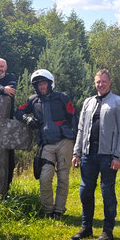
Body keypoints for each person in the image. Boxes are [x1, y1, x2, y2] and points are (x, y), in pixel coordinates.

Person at [71, 69, 120, 240]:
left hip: (108, 156)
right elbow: (81, 129)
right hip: (88, 154)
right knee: (85, 191)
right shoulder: (88, 102)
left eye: (104, 81)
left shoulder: (119, 102)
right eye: (98, 82)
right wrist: (76, 152)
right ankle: (86, 227)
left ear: (110, 82)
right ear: (94, 83)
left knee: (107, 193)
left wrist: (118, 156)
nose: (101, 84)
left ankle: (107, 231)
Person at [15, 69, 77, 219]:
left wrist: (76, 142)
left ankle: (59, 211)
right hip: (46, 144)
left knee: (63, 178)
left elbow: (73, 117)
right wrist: (27, 119)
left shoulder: (62, 97)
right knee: (45, 178)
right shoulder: (33, 100)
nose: (41, 87)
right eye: (38, 85)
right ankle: (48, 211)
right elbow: (18, 111)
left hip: (65, 141)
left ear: (50, 84)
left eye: (43, 83)